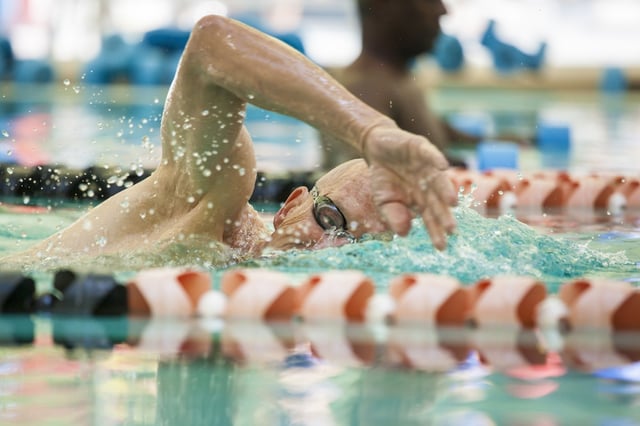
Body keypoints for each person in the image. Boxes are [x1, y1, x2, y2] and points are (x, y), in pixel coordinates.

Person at [3, 15, 456, 268]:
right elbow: (212, 44)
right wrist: (370, 131)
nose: (330, 249)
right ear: (290, 205)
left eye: (359, 248)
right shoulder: (218, 203)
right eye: (330, 219)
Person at [320, 0, 481, 170]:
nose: (443, 10)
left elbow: (438, 133)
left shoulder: (398, 80)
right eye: (431, 2)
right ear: (380, 5)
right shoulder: (365, 90)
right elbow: (364, 182)